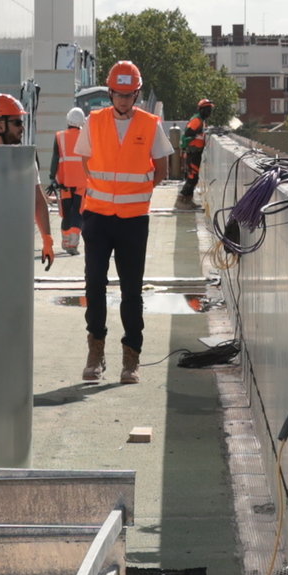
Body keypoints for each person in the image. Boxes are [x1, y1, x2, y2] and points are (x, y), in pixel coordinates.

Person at [73, 57, 167, 385]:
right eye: (118, 95)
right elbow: (86, 162)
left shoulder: (150, 124)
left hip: (133, 220)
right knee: (94, 284)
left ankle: (131, 358)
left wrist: (134, 192)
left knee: (131, 290)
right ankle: (95, 353)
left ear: (137, 95)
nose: (123, 101)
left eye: (129, 96)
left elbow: (162, 168)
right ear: (110, 93)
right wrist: (105, 192)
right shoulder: (94, 121)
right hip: (98, 217)